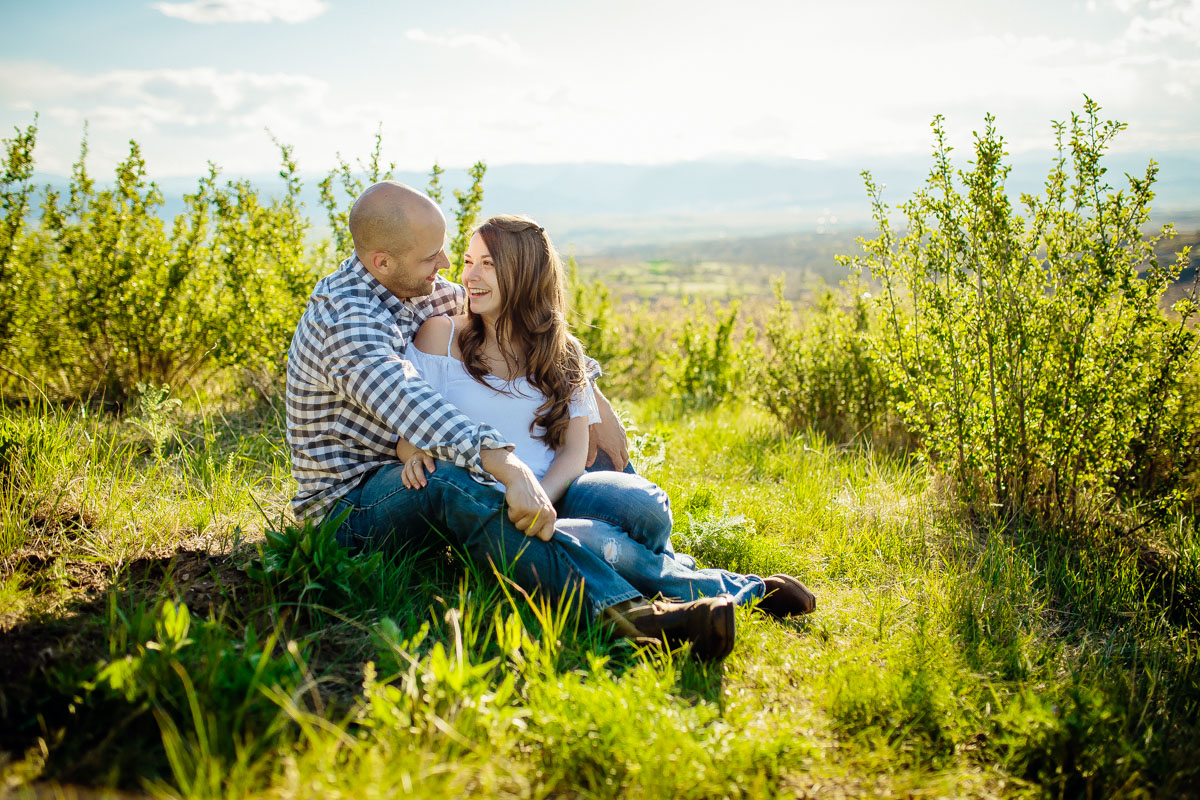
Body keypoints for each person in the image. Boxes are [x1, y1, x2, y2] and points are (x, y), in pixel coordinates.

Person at [286, 181, 737, 660]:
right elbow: (415, 406)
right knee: (454, 481)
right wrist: (512, 467)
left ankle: (694, 582)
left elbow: (520, 313)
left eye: (446, 253)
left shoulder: (419, 290)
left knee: (611, 491)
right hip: (349, 506)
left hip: (416, 472)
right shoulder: (345, 321)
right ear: (382, 262)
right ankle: (626, 616)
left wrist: (595, 398)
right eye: (431, 257)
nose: (444, 266)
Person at [394, 214, 817, 618]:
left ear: (524, 273)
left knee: (646, 507)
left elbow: (575, 452)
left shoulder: (563, 352)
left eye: (488, 264)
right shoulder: (440, 335)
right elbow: (410, 418)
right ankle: (739, 590)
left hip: (560, 489)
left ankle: (634, 567)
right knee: (594, 539)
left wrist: (544, 496)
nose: (469, 276)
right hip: (492, 505)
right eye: (468, 262)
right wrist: (411, 450)